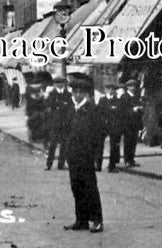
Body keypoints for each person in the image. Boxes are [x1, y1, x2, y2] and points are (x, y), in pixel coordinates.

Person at [62, 77, 104, 233]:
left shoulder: (92, 109)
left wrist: (96, 157)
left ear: (86, 94)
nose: (77, 95)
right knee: (76, 188)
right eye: (75, 92)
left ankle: (96, 220)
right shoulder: (70, 109)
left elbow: (98, 135)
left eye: (80, 92)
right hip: (73, 156)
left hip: (86, 156)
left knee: (90, 188)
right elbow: (65, 131)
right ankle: (81, 220)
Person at [43, 76, 73, 171]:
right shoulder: (51, 94)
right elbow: (47, 108)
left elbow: (70, 108)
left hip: (65, 123)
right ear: (54, 84)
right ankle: (49, 164)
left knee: (64, 145)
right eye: (56, 83)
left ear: (63, 84)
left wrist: (68, 120)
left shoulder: (68, 95)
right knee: (53, 144)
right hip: (54, 123)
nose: (58, 85)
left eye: (60, 83)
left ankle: (61, 164)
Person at [119, 80, 143, 167]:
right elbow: (122, 111)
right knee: (127, 142)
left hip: (135, 122)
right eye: (130, 86)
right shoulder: (124, 97)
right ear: (127, 87)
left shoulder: (136, 96)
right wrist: (133, 110)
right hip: (127, 123)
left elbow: (140, 108)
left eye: (134, 86)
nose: (132, 88)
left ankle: (132, 159)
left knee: (133, 142)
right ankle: (127, 160)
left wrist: (140, 109)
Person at [101, 83, 123, 172]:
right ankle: (98, 164)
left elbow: (120, 112)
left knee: (114, 145)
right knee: (99, 145)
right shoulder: (102, 100)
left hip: (114, 125)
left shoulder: (118, 100)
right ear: (107, 90)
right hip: (104, 125)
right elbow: (100, 112)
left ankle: (112, 165)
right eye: (109, 89)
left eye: (113, 89)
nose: (111, 91)